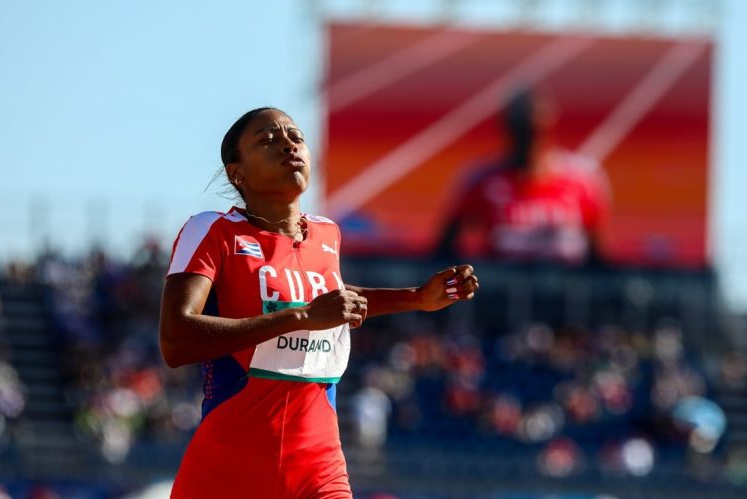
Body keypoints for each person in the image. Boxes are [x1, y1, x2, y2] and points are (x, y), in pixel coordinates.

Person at [159, 107, 479, 498]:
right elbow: (177, 339)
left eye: (296, 136)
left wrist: (418, 298)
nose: (288, 144)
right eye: (268, 139)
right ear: (236, 173)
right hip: (230, 464)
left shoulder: (327, 234)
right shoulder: (212, 230)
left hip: (318, 463)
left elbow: (333, 300)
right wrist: (303, 317)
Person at [438, 88, 610, 265]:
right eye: (522, 130)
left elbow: (596, 255)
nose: (529, 139)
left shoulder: (583, 179)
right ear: (508, 130)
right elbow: (444, 249)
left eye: (536, 130)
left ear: (549, 127)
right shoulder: (481, 180)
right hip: (503, 284)